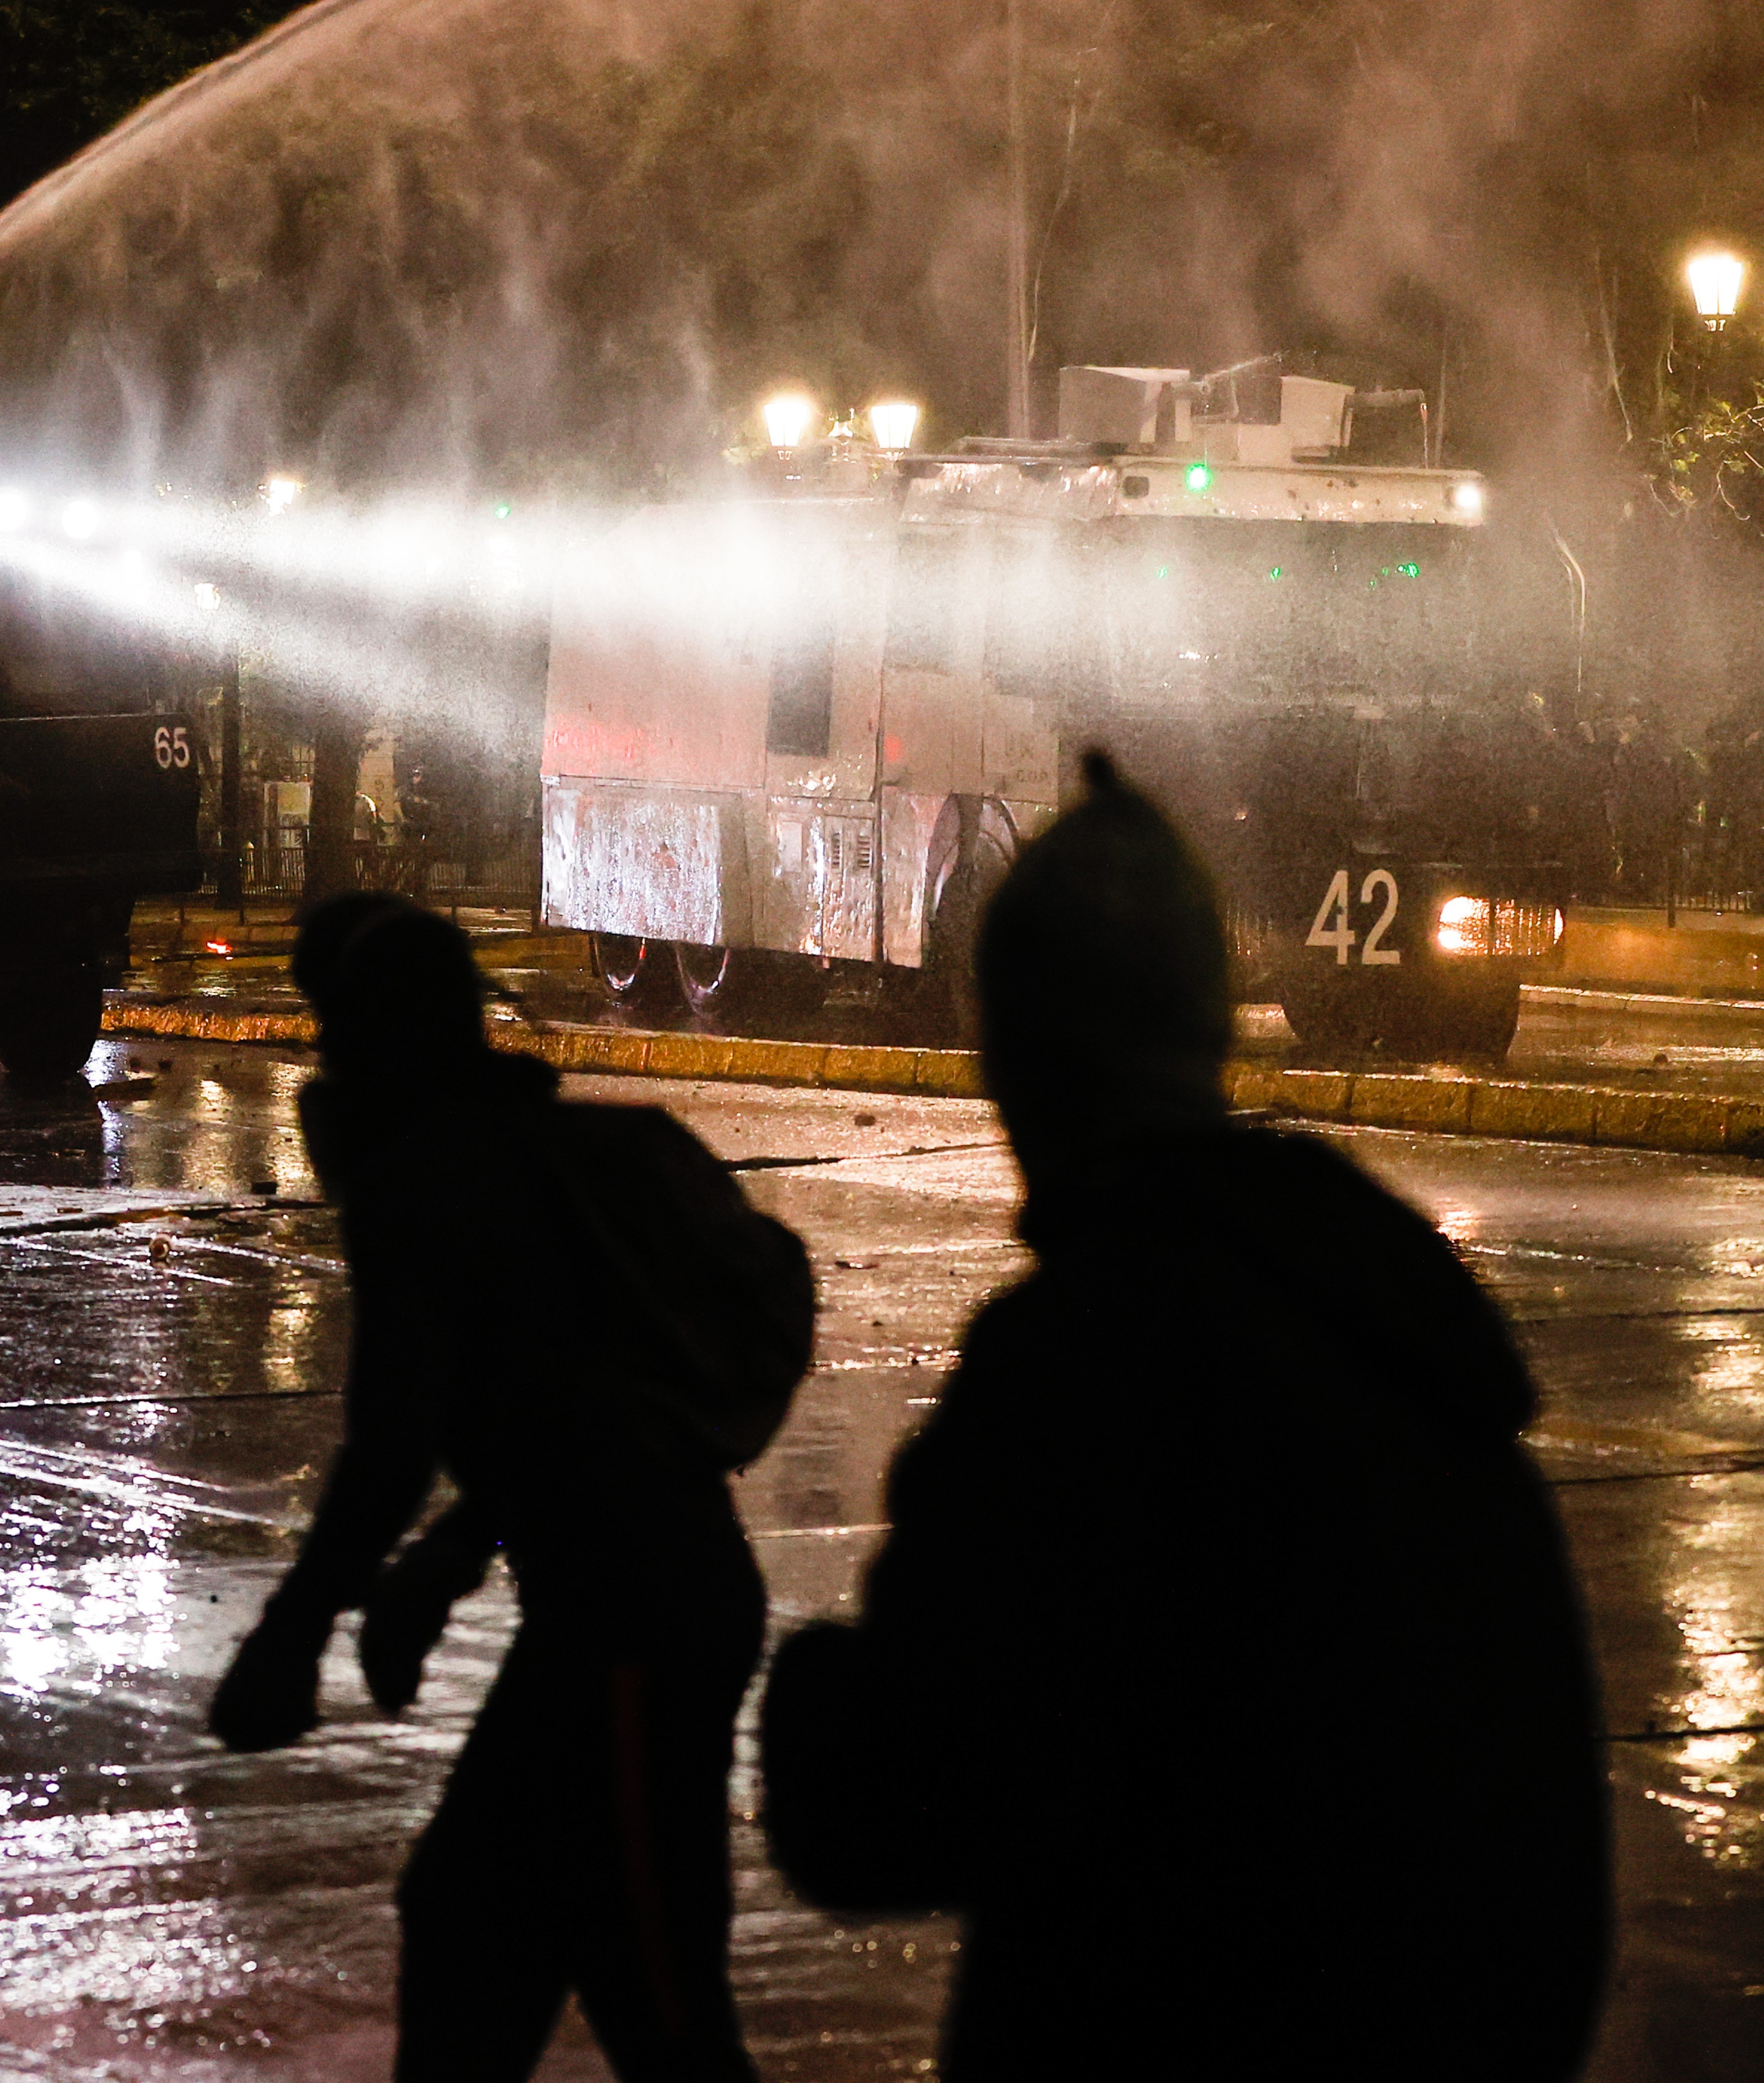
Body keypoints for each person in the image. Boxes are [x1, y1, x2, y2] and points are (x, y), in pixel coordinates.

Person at [759, 753, 1610, 2082]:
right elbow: (1545, 1875)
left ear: (1023, 1062)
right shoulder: (1413, 1336)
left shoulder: (1077, 1365)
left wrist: (802, 1688)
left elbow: (882, 1807)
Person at [208, 893, 815, 2083]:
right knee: (473, 1916)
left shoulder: (432, 1184)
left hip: (635, 1629)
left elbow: (394, 1445)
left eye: (337, 1033)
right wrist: (449, 1554)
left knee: (660, 1994)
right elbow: (566, 1405)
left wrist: (293, 1631)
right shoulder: (553, 1154)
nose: (325, 1067)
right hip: (617, 1615)